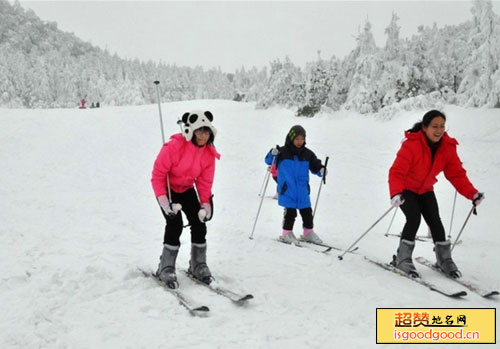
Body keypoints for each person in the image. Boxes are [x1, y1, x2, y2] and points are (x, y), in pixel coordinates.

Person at [388, 109, 484, 278]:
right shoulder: (412, 144)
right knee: (414, 218)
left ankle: (444, 259)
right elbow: (396, 172)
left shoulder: (447, 147)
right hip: (406, 190)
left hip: (425, 190)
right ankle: (403, 258)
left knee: (435, 220)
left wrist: (472, 194)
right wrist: (396, 193)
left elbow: (456, 174)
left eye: (442, 126)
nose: (439, 130)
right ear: (425, 127)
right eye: (434, 126)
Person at [151, 110, 220, 288]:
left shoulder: (208, 154)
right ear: (191, 130)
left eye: (206, 131)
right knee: (175, 224)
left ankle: (198, 264)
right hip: (168, 189)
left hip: (187, 189)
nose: (203, 135)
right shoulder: (174, 147)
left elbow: (204, 183)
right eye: (199, 131)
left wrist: (205, 206)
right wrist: (165, 203)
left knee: (199, 223)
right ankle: (165, 267)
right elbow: (158, 176)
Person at [265, 125, 326, 244]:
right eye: (297, 139)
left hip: (302, 189)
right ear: (291, 138)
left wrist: (321, 170)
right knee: (290, 212)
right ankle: (287, 233)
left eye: (302, 139)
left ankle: (308, 232)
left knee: (307, 211)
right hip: (288, 189)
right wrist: (272, 154)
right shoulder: (282, 152)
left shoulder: (307, 154)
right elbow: (268, 160)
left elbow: (315, 165)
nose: (299, 142)